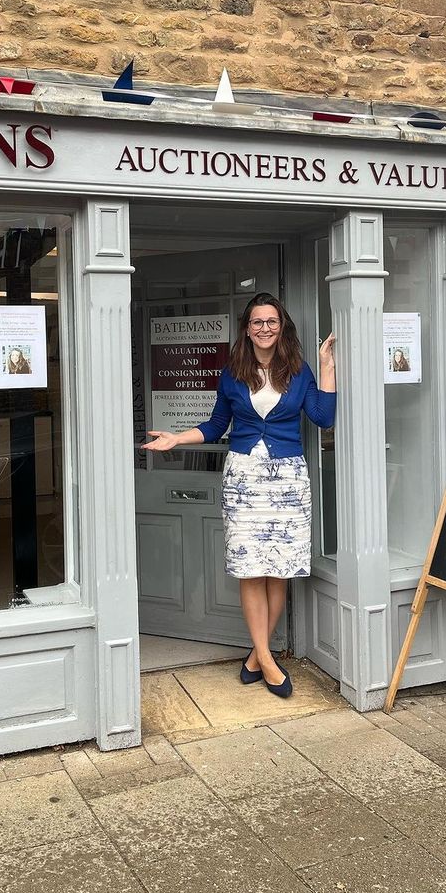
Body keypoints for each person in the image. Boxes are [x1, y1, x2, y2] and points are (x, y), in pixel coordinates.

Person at [143, 293, 336, 698]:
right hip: (244, 480)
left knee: (279, 571)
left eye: (272, 321)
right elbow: (216, 425)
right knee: (250, 570)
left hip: (287, 482)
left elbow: (323, 417)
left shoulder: (299, 371)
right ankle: (267, 660)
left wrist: (327, 367)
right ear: (246, 329)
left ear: (282, 327)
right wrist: (177, 438)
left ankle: (254, 657)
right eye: (257, 322)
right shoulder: (232, 373)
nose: (265, 328)